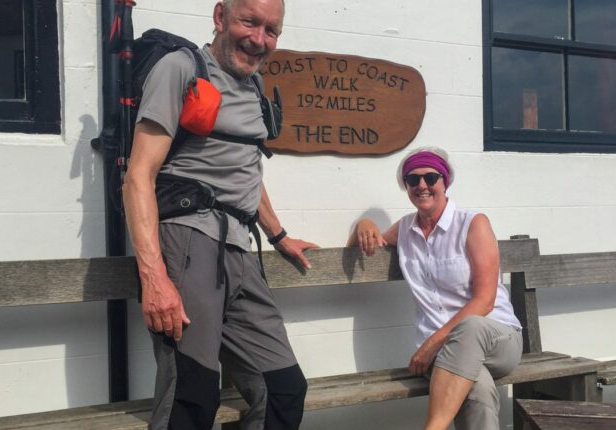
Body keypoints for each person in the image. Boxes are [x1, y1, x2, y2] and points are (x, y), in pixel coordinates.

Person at [123, 1, 317, 429]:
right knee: (192, 394)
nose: (259, 39)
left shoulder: (254, 84)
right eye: (250, 22)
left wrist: (279, 235)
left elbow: (245, 166)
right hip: (189, 240)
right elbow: (138, 176)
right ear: (220, 18)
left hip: (240, 251)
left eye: (272, 31)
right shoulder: (181, 68)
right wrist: (155, 279)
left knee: (283, 389)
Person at [347, 147, 523, 430]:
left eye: (430, 177)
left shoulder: (473, 223)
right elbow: (373, 240)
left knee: (472, 327)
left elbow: (485, 300)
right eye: (412, 180)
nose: (422, 186)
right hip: (444, 354)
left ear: (445, 182)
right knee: (478, 391)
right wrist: (363, 223)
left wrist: (430, 344)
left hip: (497, 338)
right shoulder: (405, 229)